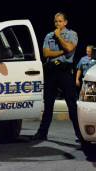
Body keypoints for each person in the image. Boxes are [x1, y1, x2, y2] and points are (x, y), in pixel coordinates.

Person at [32, 12, 82, 141]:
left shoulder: (72, 34)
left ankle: (80, 134)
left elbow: (70, 48)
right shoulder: (49, 35)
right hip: (51, 71)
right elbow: (45, 53)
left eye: (60, 21)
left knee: (71, 105)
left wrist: (59, 36)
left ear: (65, 22)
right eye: (56, 21)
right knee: (48, 104)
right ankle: (42, 133)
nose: (57, 24)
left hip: (64, 71)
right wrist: (62, 51)